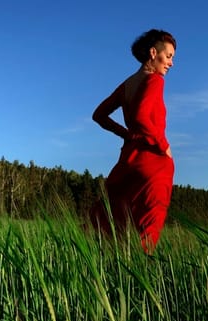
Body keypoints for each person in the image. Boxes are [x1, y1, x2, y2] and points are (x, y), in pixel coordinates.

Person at [90, 29, 176, 254]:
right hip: (153, 162)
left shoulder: (127, 84)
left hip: (129, 159)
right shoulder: (155, 80)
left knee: (116, 219)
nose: (171, 63)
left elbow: (99, 115)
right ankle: (141, 273)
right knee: (147, 227)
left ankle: (112, 267)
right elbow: (140, 115)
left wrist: (127, 135)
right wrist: (162, 145)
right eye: (168, 56)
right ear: (152, 52)